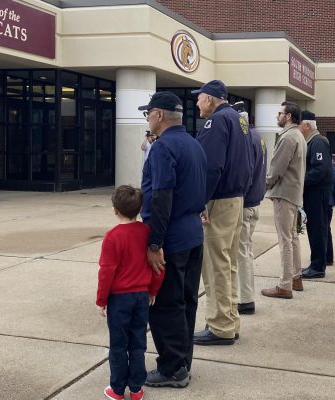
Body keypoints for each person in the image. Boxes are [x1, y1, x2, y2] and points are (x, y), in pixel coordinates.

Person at [138, 91, 207, 388]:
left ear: (159, 115)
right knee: (186, 301)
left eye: (148, 114)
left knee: (166, 305)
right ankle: (182, 362)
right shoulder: (194, 143)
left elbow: (161, 196)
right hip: (193, 233)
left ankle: (172, 368)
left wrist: (155, 244)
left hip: (173, 237)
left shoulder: (163, 147)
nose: (148, 119)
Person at [192, 80, 252, 346]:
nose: (196, 103)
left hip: (219, 200)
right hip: (236, 198)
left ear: (209, 99)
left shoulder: (216, 122)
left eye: (199, 98)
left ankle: (219, 326)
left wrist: (200, 201)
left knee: (215, 265)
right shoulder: (238, 120)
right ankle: (229, 320)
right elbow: (248, 163)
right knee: (228, 264)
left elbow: (211, 166)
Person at [96, 185, 165, 400]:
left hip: (119, 298)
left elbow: (107, 272)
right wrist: (153, 289)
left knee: (118, 344)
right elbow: (159, 266)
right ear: (140, 208)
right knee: (137, 343)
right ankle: (136, 388)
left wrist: (101, 300)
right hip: (142, 296)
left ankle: (117, 389)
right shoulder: (147, 233)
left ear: (115, 209)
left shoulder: (112, 237)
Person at [261, 101, 306, 299]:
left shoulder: (288, 137)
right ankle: (296, 277)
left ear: (288, 116)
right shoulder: (299, 136)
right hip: (293, 193)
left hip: (284, 194)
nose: (277, 116)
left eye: (279, 113)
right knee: (292, 237)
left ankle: (285, 285)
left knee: (285, 240)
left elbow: (277, 168)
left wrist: (265, 184)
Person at [232, 101, 267, 315]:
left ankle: (245, 299)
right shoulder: (258, 136)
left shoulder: (245, 138)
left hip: (245, 204)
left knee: (241, 252)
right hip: (254, 202)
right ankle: (245, 295)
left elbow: (244, 172)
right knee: (246, 251)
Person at [298, 111, 333, 280]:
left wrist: (300, 181)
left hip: (317, 192)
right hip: (314, 192)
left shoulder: (318, 142)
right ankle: (318, 262)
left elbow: (320, 169)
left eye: (300, 125)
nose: (299, 128)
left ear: (307, 125)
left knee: (318, 229)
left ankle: (318, 267)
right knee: (316, 228)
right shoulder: (312, 141)